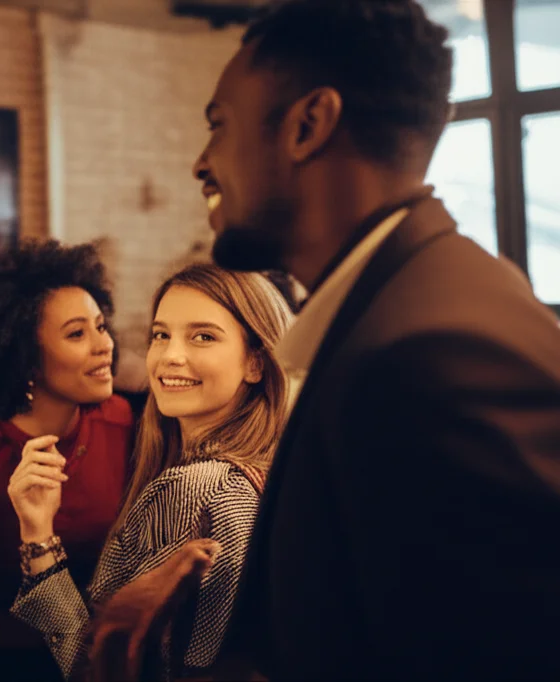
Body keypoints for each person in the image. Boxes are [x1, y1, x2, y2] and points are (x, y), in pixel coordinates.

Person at [191, 1, 560, 679]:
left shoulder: (430, 358)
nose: (201, 164)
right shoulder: (426, 295)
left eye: (219, 127)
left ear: (308, 125)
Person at [8, 264, 292, 680]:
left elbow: (99, 665)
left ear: (255, 363)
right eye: (161, 335)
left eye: (203, 337)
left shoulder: (192, 489)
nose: (170, 356)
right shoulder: (265, 473)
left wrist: (37, 537)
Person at [0, 240, 134, 680]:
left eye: (101, 326)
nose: (105, 345)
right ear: (26, 360)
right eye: (78, 334)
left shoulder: (120, 420)